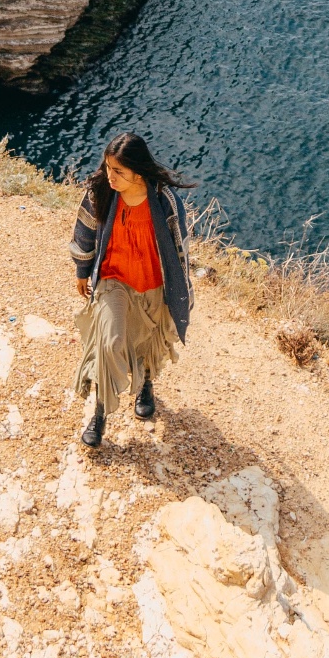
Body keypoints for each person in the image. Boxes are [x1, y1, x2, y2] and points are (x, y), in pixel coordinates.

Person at [69, 133, 193, 449]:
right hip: (114, 280)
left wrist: (181, 291)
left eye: (118, 171)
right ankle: (99, 412)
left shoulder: (165, 201)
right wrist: (83, 270)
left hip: (153, 283)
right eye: (108, 167)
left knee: (147, 341)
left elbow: (181, 252)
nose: (109, 176)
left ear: (138, 172)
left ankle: (145, 384)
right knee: (110, 342)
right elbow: (84, 231)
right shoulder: (101, 192)